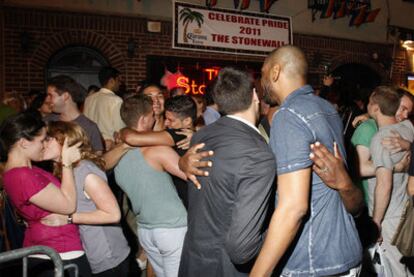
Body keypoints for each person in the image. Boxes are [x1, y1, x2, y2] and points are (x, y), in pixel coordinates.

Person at [251, 45, 363, 276]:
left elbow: (293, 208)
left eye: (262, 73)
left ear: (274, 72)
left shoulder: (288, 115)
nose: (261, 83)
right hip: (346, 251)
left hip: (314, 261)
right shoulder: (327, 109)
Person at [178, 68, 276, 277]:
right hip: (224, 268)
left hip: (194, 259)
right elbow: (241, 249)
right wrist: (281, 231)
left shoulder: (201, 136)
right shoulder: (257, 155)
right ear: (255, 97)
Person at [39, 121, 139, 276]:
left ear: (65, 141)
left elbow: (113, 214)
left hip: (109, 257)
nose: (42, 143)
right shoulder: (63, 171)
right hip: (91, 255)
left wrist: (68, 218)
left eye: (48, 139)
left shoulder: (85, 171)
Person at [0, 112, 91, 277]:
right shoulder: (21, 175)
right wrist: (67, 163)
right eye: (41, 140)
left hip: (52, 248)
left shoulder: (26, 171)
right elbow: (68, 205)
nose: (44, 145)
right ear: (23, 143)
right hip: (59, 252)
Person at [114, 95, 188, 277]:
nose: (156, 119)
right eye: (152, 116)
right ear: (143, 119)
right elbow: (192, 175)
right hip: (172, 227)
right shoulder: (158, 150)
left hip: (146, 229)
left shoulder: (116, 155)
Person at [365, 86, 414, 276]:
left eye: (408, 111)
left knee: (396, 269)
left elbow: (384, 185)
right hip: (404, 209)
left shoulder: (381, 138)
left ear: (376, 107)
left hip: (389, 215)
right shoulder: (409, 127)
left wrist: (376, 222)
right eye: (402, 108)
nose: (404, 114)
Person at [45, 75, 104, 154]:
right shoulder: (47, 121)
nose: (47, 100)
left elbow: (97, 161)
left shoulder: (89, 127)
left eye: (50, 95)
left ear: (65, 96)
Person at [84, 67, 125, 151]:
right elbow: (119, 129)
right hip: (109, 146)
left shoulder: (89, 99)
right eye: (118, 80)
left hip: (91, 146)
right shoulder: (116, 100)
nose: (120, 84)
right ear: (111, 81)